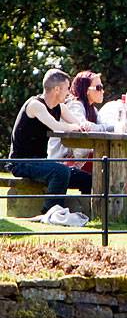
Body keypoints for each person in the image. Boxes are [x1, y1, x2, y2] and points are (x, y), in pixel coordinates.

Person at [8, 68, 92, 213]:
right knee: (61, 172)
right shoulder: (35, 105)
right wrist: (75, 127)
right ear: (57, 89)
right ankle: (50, 212)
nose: (69, 93)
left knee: (87, 179)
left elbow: (78, 124)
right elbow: (56, 127)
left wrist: (82, 125)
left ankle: (89, 213)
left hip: (41, 162)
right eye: (67, 89)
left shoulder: (60, 107)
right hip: (21, 163)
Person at [48, 70, 113, 168]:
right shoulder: (75, 105)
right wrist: (111, 127)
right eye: (99, 87)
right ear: (86, 90)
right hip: (61, 164)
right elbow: (85, 127)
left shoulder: (92, 110)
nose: (102, 91)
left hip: (76, 162)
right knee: (108, 167)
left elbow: (102, 127)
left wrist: (110, 127)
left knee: (111, 165)